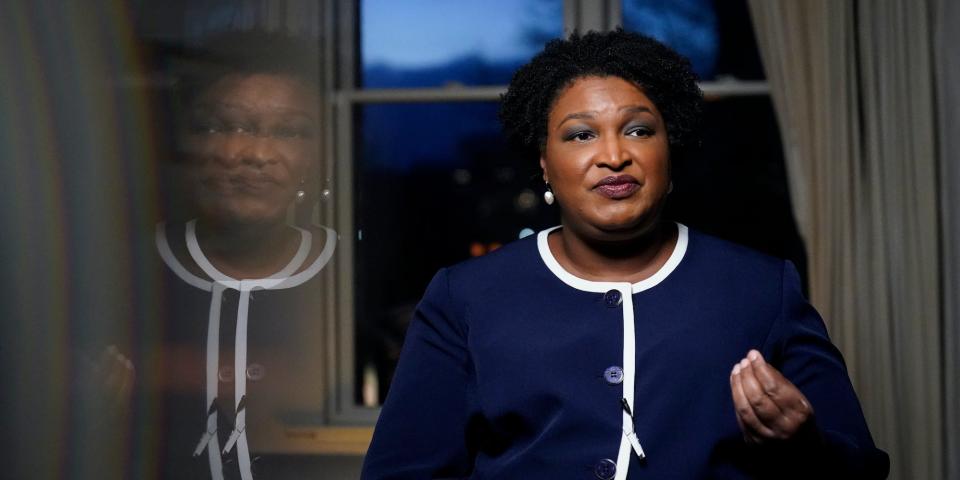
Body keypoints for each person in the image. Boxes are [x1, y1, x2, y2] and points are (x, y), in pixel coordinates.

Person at [361, 30, 888, 479]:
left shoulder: (759, 288)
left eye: (638, 129)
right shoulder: (466, 297)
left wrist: (805, 447)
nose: (614, 156)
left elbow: (861, 467)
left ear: (669, 148)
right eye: (581, 135)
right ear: (544, 162)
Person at [151, 30, 335, 480]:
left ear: (319, 155)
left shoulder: (351, 280)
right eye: (218, 126)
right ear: (183, 145)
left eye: (289, 131)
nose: (252, 154)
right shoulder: (122, 277)